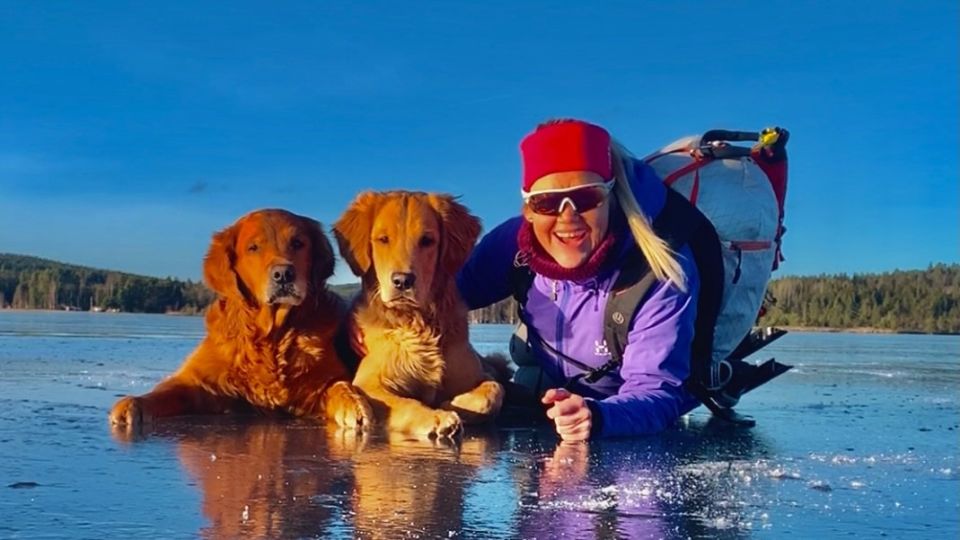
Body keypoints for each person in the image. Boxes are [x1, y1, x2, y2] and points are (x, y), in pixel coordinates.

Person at [456, 118, 702, 441]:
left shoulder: (659, 270)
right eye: (547, 203)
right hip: (556, 373)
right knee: (522, 355)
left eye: (586, 198)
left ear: (610, 197)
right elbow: (442, 296)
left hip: (621, 405)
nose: (567, 217)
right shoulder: (511, 245)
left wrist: (598, 416)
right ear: (528, 210)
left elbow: (657, 392)